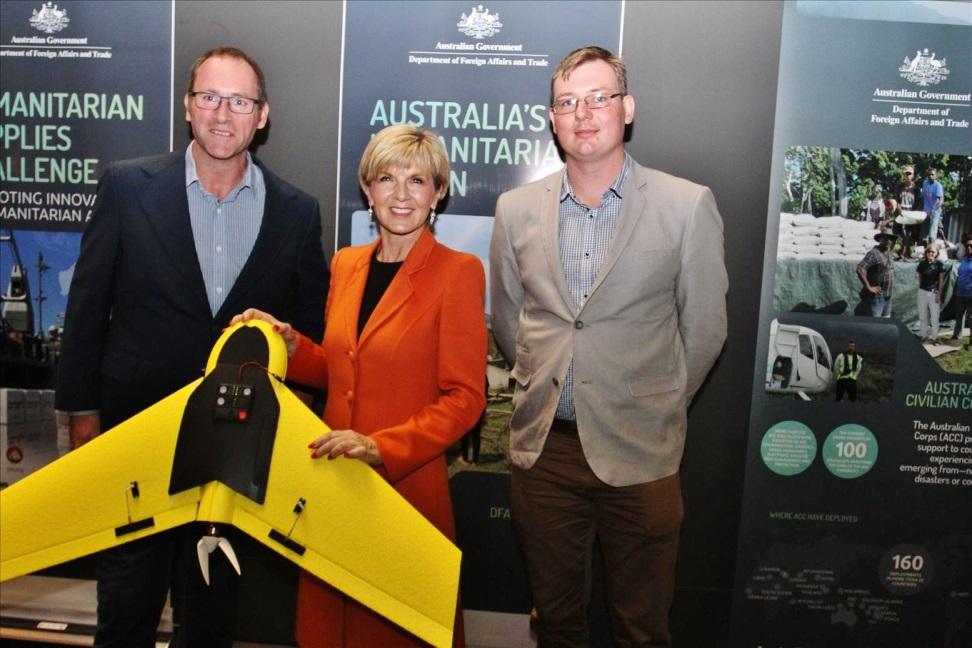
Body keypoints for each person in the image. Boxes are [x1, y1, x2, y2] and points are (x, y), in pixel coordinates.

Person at [55, 47, 329, 647]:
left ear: (262, 115)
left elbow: (310, 342)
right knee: (124, 617)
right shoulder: (127, 188)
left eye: (240, 100)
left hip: (232, 460)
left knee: (209, 627)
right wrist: (83, 416)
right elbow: (85, 311)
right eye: (209, 97)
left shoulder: (297, 213)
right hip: (133, 444)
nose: (223, 114)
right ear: (187, 106)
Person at [489, 46, 728, 647]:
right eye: (568, 102)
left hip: (641, 451)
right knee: (557, 620)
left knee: (642, 627)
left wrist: (656, 403)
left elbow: (704, 331)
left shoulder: (685, 205)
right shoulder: (515, 209)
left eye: (599, 98)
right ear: (551, 118)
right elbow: (511, 320)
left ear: (627, 108)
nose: (584, 114)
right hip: (546, 455)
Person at [233, 124, 487, 647]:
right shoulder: (347, 264)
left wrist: (382, 448)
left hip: (403, 487)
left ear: (438, 193)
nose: (400, 194)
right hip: (332, 483)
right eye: (386, 178)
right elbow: (342, 370)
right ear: (366, 190)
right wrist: (287, 343)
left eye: (417, 180)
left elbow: (465, 398)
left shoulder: (457, 273)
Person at [856, 228, 897, 318]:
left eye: (890, 239)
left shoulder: (889, 252)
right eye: (885, 238)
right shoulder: (874, 253)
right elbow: (860, 269)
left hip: (888, 294)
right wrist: (869, 287)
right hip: (878, 296)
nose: (888, 241)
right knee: (875, 323)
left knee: (886, 320)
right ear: (880, 239)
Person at [916, 246, 947, 344]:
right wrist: (922, 289)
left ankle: (935, 337)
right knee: (923, 315)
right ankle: (923, 335)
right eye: (929, 251)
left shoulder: (939, 265)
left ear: (936, 253)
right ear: (926, 253)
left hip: (934, 293)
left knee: (934, 317)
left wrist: (939, 293)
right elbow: (920, 278)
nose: (931, 253)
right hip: (922, 292)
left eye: (933, 252)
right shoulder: (922, 264)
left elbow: (941, 281)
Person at [896, 164, 920, 259]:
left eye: (909, 173)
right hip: (902, 212)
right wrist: (900, 210)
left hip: (911, 214)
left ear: (913, 175)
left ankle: (906, 253)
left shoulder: (916, 189)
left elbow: (919, 203)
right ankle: (903, 252)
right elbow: (897, 200)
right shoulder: (900, 187)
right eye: (906, 173)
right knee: (902, 233)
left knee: (909, 235)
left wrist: (914, 214)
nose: (907, 175)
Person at [952, 236, 972, 348]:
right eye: (967, 245)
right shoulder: (964, 259)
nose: (969, 248)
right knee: (959, 316)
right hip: (960, 294)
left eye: (971, 246)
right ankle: (957, 336)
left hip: (971, 295)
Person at [921, 167, 944, 242]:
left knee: (932, 236)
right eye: (929, 174)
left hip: (934, 213)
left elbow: (940, 200)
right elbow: (923, 196)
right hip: (925, 212)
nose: (930, 176)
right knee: (924, 236)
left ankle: (932, 250)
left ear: (936, 176)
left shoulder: (938, 186)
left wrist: (934, 210)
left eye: (932, 174)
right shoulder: (925, 183)